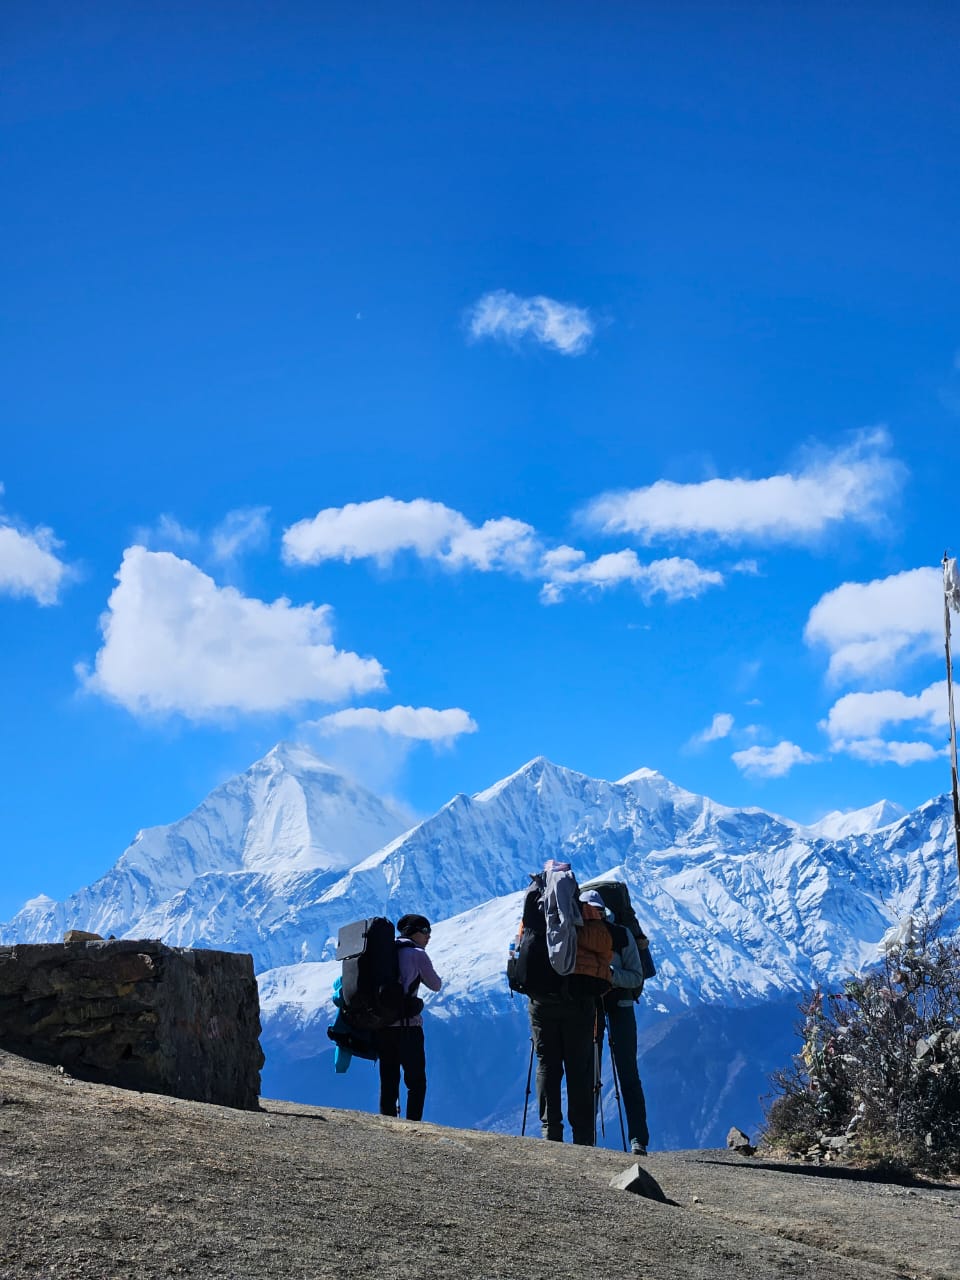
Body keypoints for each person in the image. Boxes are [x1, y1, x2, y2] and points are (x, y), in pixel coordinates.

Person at [527, 881, 613, 1146]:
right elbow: (605, 947)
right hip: (578, 1002)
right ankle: (583, 1135)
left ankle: (550, 1130)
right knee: (579, 1069)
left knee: (547, 1065)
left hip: (541, 1003)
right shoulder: (583, 920)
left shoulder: (534, 919)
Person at [375, 913, 442, 1121]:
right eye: (426, 932)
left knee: (389, 1080)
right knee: (416, 1082)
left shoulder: (385, 952)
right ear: (415, 932)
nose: (428, 937)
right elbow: (436, 984)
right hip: (408, 1028)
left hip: (383, 1026)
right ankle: (414, 1124)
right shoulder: (417, 954)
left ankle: (387, 1123)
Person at [597, 912, 651, 1156]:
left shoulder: (621, 935)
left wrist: (610, 976)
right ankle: (637, 1138)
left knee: (604, 1073)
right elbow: (636, 976)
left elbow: (636, 976)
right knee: (626, 1074)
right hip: (618, 1008)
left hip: (602, 1007)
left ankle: (636, 1138)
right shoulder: (619, 935)